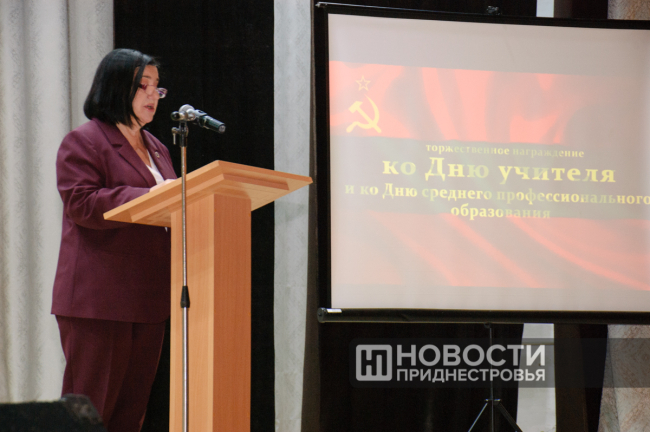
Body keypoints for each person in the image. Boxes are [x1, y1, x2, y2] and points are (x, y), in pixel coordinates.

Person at [51, 48, 176, 432]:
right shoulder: (85, 141)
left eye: (157, 87)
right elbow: (81, 203)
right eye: (143, 85)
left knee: (129, 414)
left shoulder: (157, 148)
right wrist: (150, 196)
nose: (153, 94)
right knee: (90, 413)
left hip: (148, 299)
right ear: (116, 87)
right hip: (100, 300)